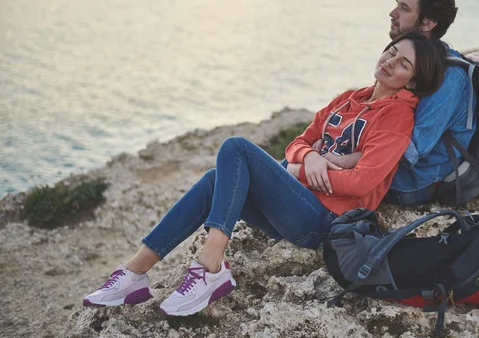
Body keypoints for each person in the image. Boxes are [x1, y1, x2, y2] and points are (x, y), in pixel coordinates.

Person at [82, 31, 448, 316]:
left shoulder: (397, 117)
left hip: (324, 220)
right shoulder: (349, 98)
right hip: (295, 204)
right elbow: (298, 142)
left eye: (403, 64)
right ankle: (135, 273)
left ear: (413, 82)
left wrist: (298, 168)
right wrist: (310, 159)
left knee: (236, 147)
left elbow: (363, 182)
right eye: (391, 52)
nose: (390, 62)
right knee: (214, 180)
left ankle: (211, 266)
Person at [298, 0, 474, 206]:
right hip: (382, 167)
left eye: (404, 8)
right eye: (397, 4)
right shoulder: (409, 56)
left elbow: (414, 149)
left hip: (414, 181)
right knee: (298, 164)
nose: (392, 13)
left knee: (298, 173)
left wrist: (344, 160)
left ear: (428, 23)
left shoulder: (450, 76)